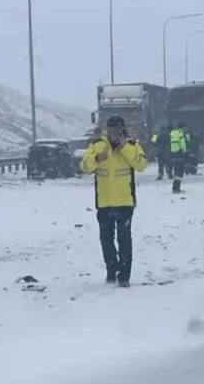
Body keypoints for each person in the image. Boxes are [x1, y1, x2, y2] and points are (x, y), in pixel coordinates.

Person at [80, 116, 148, 287]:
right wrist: (96, 159)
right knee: (106, 239)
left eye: (117, 130)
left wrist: (124, 147)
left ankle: (124, 275)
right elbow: (84, 167)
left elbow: (141, 165)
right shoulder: (96, 146)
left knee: (124, 239)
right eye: (111, 130)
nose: (114, 133)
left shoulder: (132, 146)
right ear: (106, 130)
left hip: (125, 202)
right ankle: (112, 270)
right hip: (104, 202)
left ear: (122, 130)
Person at [169, 122, 189, 193]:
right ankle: (176, 188)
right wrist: (184, 151)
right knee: (179, 172)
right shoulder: (180, 134)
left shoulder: (173, 133)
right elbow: (182, 144)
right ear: (182, 128)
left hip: (174, 154)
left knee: (177, 172)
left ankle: (176, 188)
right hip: (179, 154)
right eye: (184, 128)